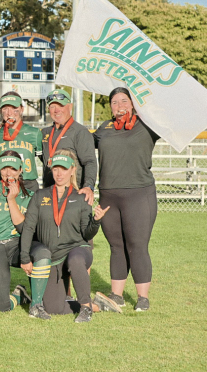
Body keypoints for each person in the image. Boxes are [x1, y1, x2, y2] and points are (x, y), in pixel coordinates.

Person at [20, 152, 111, 322]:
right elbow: (29, 227)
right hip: (53, 258)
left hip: (77, 250)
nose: (59, 173)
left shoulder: (81, 197)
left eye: (63, 169)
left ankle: (85, 308)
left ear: (72, 171)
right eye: (56, 169)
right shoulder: (40, 196)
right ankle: (97, 305)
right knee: (53, 309)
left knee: (76, 259)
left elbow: (86, 233)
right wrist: (25, 257)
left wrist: (96, 221)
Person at [93, 87, 160, 312]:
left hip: (139, 194)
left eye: (124, 101)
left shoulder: (148, 125)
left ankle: (142, 298)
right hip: (109, 195)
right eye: (114, 102)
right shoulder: (104, 128)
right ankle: (117, 295)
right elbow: (83, 146)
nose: (119, 106)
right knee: (116, 246)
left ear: (133, 104)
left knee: (137, 246)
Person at [0, 151, 52, 319]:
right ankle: (19, 295)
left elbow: (25, 229)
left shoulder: (30, 195)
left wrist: (12, 200)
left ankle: (36, 304)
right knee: (1, 307)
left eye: (13, 168)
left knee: (43, 253)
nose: (8, 173)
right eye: (4, 168)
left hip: (18, 244)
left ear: (20, 170)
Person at [41, 89, 98, 205]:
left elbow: (90, 162)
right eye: (52, 106)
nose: (56, 110)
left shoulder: (80, 132)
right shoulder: (44, 132)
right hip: (49, 195)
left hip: (73, 195)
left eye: (60, 105)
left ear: (70, 106)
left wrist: (88, 186)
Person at [0, 92, 44, 192]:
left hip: (28, 185)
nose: (9, 113)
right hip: (3, 185)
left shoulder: (34, 133)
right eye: (5, 108)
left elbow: (46, 163)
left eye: (14, 108)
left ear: (22, 109)